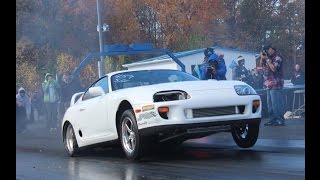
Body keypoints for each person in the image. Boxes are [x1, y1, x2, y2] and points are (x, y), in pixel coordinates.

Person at [260, 45, 285, 126]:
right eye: (266, 51)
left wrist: (267, 59)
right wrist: (262, 57)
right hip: (269, 83)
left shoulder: (278, 56)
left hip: (276, 83)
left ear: (271, 49)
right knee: (269, 103)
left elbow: (274, 68)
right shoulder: (268, 58)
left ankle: (280, 119)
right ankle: (272, 119)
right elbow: (261, 65)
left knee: (276, 103)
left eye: (267, 50)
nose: (267, 52)